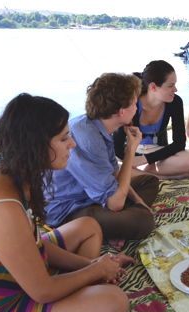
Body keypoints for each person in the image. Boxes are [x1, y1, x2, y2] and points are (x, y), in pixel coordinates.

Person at [0, 93, 134, 312]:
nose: (72, 144)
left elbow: (30, 244)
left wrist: (90, 265)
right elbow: (43, 291)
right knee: (115, 303)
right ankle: (84, 307)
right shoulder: (1, 205)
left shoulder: (11, 175)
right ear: (36, 145)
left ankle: (83, 304)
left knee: (88, 226)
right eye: (63, 138)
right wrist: (96, 270)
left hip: (9, 283)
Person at [45, 73, 159, 251]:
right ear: (121, 111)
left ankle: (115, 223)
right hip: (69, 208)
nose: (138, 107)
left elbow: (114, 174)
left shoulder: (99, 128)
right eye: (135, 103)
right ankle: (112, 225)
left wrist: (139, 203)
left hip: (94, 195)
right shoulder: (88, 139)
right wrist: (130, 150)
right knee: (144, 221)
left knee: (149, 181)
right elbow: (116, 203)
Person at [113, 60, 189, 180]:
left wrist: (143, 160)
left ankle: (138, 172)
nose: (175, 89)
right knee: (110, 165)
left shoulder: (175, 102)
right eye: (170, 86)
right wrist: (130, 160)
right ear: (153, 87)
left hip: (157, 154)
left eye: (175, 84)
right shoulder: (132, 104)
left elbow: (179, 143)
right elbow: (116, 145)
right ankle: (162, 176)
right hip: (131, 152)